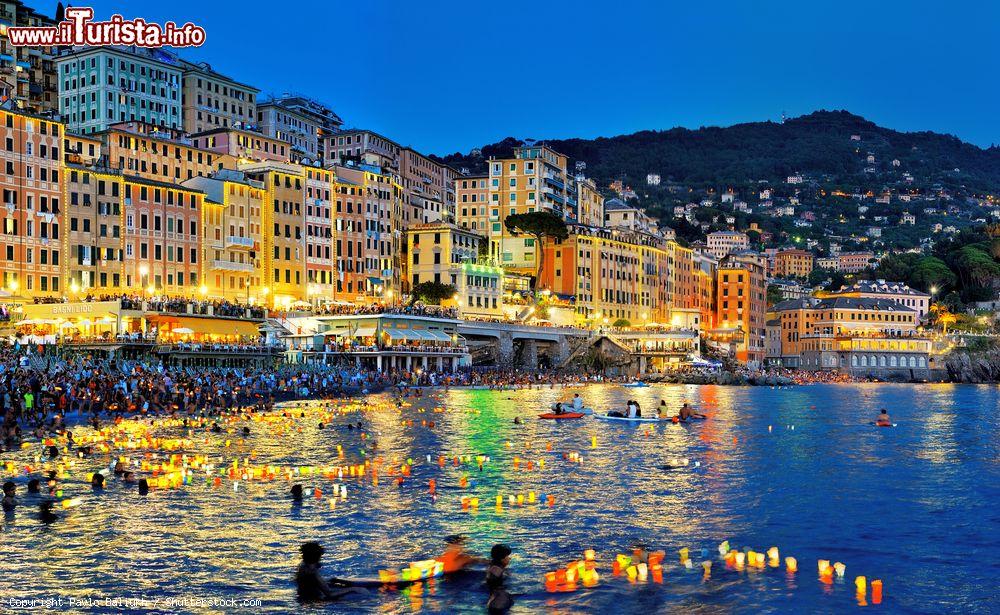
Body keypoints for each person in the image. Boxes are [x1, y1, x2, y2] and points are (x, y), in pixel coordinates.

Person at [295, 542, 366, 602]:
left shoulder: (302, 566)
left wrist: (330, 580)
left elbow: (309, 584)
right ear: (317, 557)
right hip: (317, 601)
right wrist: (353, 589)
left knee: (335, 582)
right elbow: (329, 594)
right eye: (320, 556)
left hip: (303, 599)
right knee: (363, 594)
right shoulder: (312, 572)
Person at [486, 544, 513, 614]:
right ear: (502, 558)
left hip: (494, 598)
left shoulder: (494, 566)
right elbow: (492, 581)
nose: (509, 558)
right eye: (508, 556)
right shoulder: (496, 569)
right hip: (498, 599)